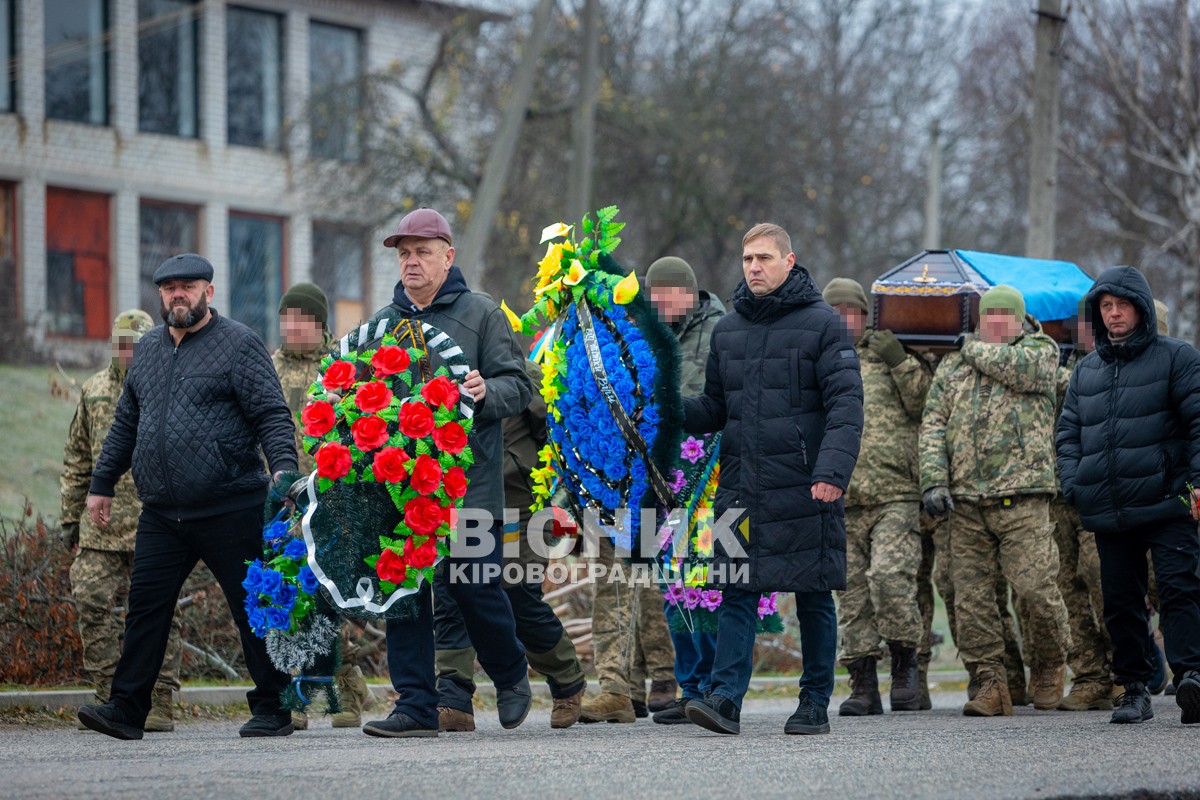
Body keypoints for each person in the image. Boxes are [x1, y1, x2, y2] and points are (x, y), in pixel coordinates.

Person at [77, 253, 299, 740]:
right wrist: (101, 484)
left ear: (208, 293)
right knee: (146, 609)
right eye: (169, 287)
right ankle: (127, 710)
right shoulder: (149, 350)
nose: (178, 294)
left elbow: (271, 414)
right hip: (162, 512)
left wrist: (284, 470)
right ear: (160, 294)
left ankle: (274, 707)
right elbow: (126, 424)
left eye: (188, 286)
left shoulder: (240, 344)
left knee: (253, 608)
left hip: (231, 504)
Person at [681, 223, 864, 735]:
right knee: (735, 589)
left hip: (806, 483)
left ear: (790, 261)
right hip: (741, 485)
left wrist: (832, 471)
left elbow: (846, 405)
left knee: (813, 593)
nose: (754, 267)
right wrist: (667, 410)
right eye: (747, 259)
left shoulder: (824, 324)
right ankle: (724, 700)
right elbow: (716, 408)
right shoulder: (728, 330)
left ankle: (813, 703)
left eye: (764, 258)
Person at [360, 207, 534, 738]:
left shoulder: (483, 314)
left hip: (470, 485)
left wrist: (487, 393)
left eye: (422, 252)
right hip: (401, 486)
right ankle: (415, 704)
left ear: (448, 256)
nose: (412, 262)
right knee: (403, 591)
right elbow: (366, 398)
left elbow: (520, 386)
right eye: (404, 253)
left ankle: (509, 672)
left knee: (474, 588)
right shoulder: (384, 325)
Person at [1055, 266, 1200, 725]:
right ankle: (1133, 688)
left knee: (1180, 590)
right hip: (1109, 506)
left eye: (1122, 305)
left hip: (1169, 501)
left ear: (1140, 308)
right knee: (1119, 600)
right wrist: (1074, 483)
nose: (1114, 314)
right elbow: (1068, 435)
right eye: (1106, 307)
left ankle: (1192, 675)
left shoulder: (1178, 358)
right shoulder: (1086, 372)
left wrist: (1197, 485)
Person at [920, 284, 1070, 717]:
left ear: (1021, 320)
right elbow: (932, 426)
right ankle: (990, 682)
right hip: (965, 503)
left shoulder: (1040, 352)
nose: (998, 322)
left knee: (1036, 590)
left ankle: (1049, 663)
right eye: (990, 315)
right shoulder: (953, 369)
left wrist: (970, 348)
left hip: (1023, 498)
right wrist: (934, 481)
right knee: (971, 601)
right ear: (980, 320)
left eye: (1007, 315)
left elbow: (1021, 369)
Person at [435, 358, 587, 732]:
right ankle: (454, 700)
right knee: (454, 592)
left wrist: (559, 497)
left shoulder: (521, 372)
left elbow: (554, 432)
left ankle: (567, 678)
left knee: (515, 591)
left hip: (519, 502)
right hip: (459, 499)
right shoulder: (433, 367)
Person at [61, 309, 183, 733]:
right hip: (102, 526)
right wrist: (69, 519)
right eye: (121, 344)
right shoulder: (95, 389)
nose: (128, 353)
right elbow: (78, 456)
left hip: (158, 521)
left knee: (160, 613)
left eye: (136, 344)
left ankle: (160, 700)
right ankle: (106, 695)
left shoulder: (168, 382)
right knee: (89, 598)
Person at [823, 278, 931, 715]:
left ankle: (906, 669)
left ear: (866, 316)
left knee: (890, 579)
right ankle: (862, 683)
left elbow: (926, 403)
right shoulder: (819, 360)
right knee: (850, 595)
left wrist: (900, 362)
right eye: (835, 312)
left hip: (896, 494)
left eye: (852, 311)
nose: (844, 319)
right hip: (840, 496)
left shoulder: (891, 353)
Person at [272, 282, 376, 729]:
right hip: (284, 500)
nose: (293, 327)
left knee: (336, 598)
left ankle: (348, 689)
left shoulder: (342, 368)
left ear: (320, 323)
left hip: (335, 498)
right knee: (293, 596)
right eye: (287, 318)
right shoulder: (267, 366)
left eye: (303, 319)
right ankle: (299, 697)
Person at [643, 256, 725, 726]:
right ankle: (689, 685)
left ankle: (716, 684)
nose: (656, 306)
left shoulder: (721, 331)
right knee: (672, 586)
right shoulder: (652, 339)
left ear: (686, 292)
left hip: (710, 477)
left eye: (663, 297)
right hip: (664, 477)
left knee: (706, 582)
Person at [1051, 304, 1113, 711]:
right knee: (1065, 585)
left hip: (1102, 489)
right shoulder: (1057, 362)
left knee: (1101, 578)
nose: (1086, 333)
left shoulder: (1114, 366)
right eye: (1082, 326)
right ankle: (1091, 675)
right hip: (1058, 491)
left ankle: (1129, 669)